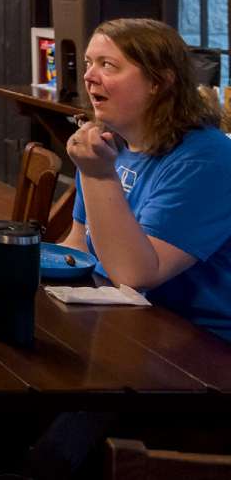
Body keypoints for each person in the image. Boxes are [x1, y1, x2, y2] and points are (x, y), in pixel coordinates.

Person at [59, 18, 231, 341]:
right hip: (125, 319)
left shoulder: (207, 159)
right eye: (88, 63)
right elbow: (79, 243)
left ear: (160, 82)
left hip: (200, 346)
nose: (88, 76)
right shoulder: (111, 142)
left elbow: (136, 275)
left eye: (107, 65)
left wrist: (97, 174)